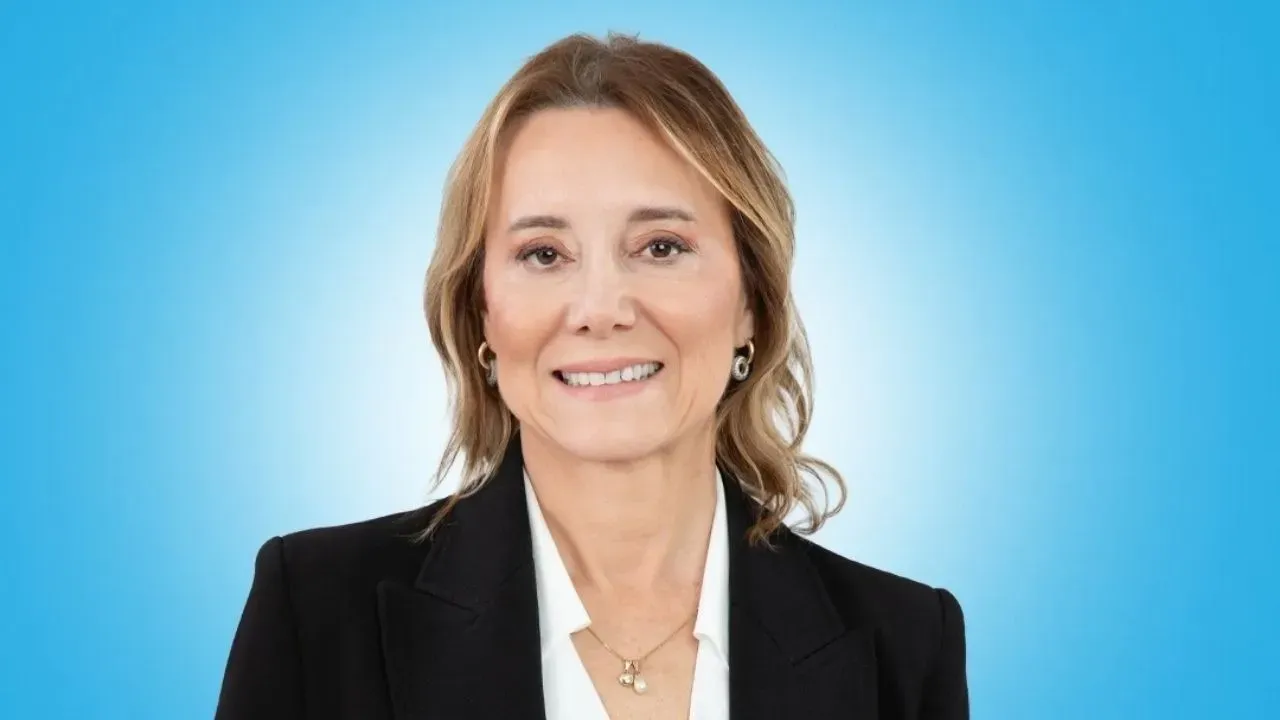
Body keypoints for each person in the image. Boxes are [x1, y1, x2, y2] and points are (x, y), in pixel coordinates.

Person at [215, 31, 968, 720]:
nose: (601, 310)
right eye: (544, 254)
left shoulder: (905, 644)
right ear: (482, 315)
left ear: (752, 303)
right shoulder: (316, 613)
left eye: (661, 247)